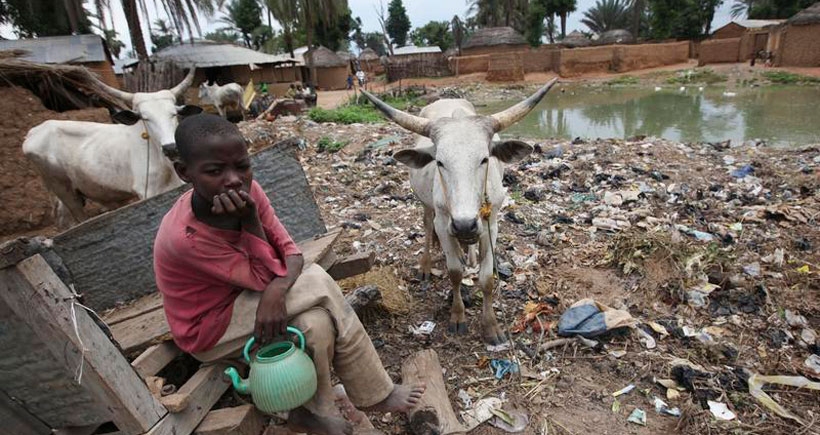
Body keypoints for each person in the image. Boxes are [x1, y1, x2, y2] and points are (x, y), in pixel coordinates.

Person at [153, 114, 425, 435]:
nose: (233, 180)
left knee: (315, 324)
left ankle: (312, 414)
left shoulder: (249, 189)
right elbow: (269, 274)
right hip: (210, 327)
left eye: (242, 166)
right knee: (317, 281)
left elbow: (291, 252)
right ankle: (375, 392)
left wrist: (276, 291)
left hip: (247, 297)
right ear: (184, 173)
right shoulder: (185, 238)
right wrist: (252, 223)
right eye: (215, 171)